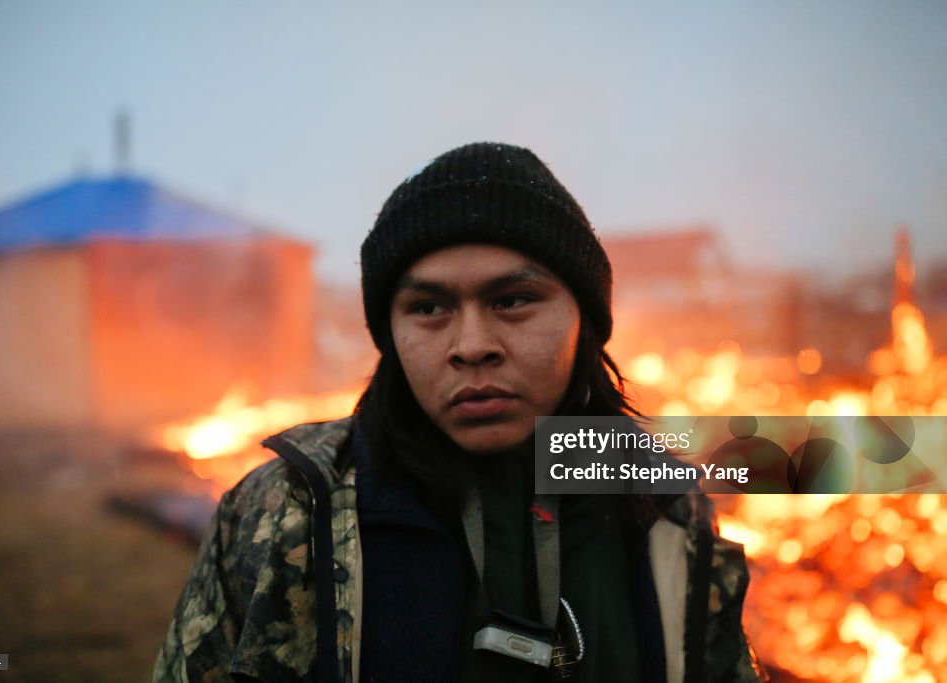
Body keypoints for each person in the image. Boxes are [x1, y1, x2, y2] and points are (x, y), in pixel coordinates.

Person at [152, 142, 766, 682]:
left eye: (513, 300)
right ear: (388, 334)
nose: (472, 344)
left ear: (586, 321)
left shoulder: (665, 512)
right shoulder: (290, 510)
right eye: (428, 308)